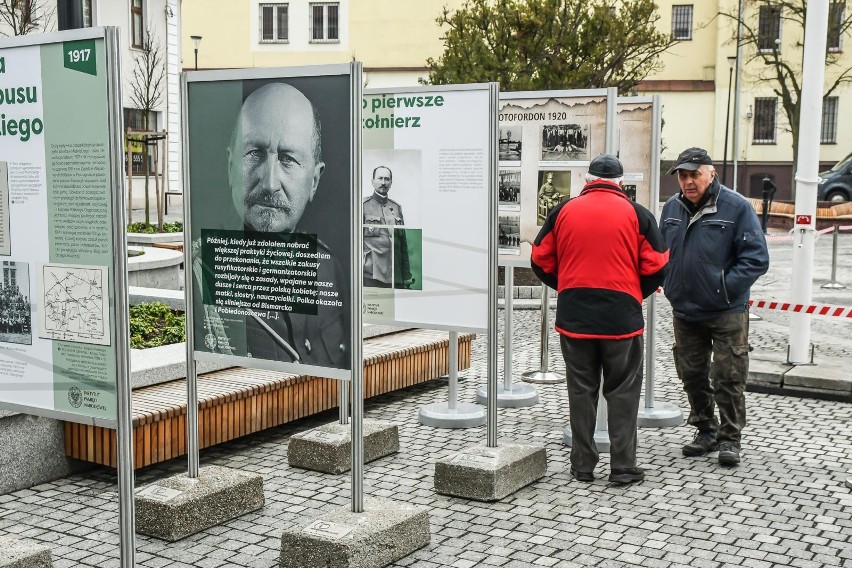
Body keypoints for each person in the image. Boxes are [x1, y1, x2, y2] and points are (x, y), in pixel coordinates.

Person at [531, 154, 669, 485]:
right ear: (620, 182)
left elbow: (539, 259)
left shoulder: (563, 211)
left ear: (587, 180)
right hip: (621, 318)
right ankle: (623, 467)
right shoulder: (638, 214)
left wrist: (566, 287)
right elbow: (659, 264)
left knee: (581, 390)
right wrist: (635, 293)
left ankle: (582, 465)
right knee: (623, 391)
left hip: (575, 316)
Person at [195, 82, 347, 368]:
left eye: (288, 159)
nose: (270, 183)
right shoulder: (202, 273)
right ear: (230, 167)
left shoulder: (326, 267)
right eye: (254, 153)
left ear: (314, 180)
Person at [660, 147, 769, 467]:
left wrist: (724, 289)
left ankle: (730, 438)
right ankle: (705, 430)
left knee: (728, 375)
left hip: (726, 311)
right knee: (691, 373)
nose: (688, 181)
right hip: (685, 309)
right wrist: (670, 282)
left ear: (711, 172)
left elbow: (756, 259)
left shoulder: (736, 207)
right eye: (682, 175)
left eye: (694, 174)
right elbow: (663, 252)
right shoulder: (671, 208)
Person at [362, 166, 414, 289]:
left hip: (396, 276)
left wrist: (406, 275)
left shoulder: (396, 208)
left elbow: (403, 245)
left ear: (391, 183)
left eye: (387, 179)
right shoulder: (362, 206)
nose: (383, 183)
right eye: (380, 178)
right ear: (372, 181)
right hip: (371, 275)